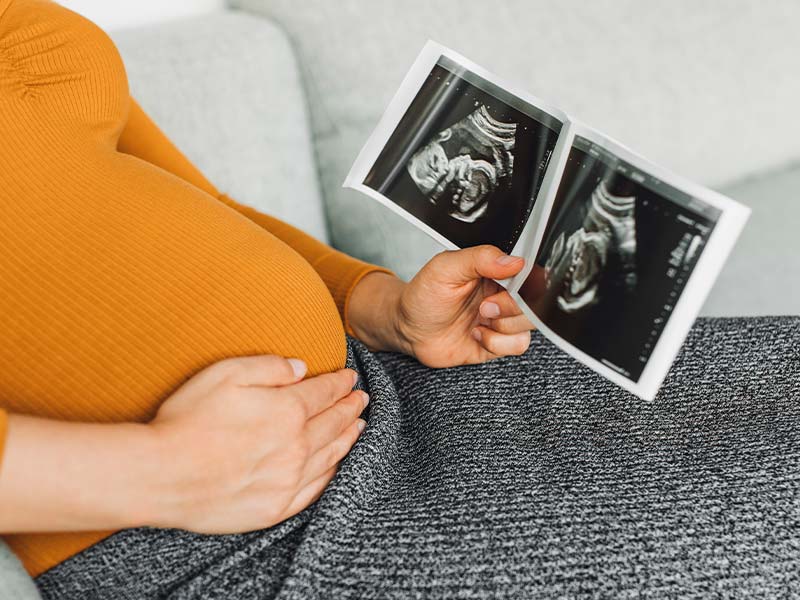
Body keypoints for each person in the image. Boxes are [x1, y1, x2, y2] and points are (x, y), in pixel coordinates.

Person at [0, 0, 533, 579]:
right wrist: (168, 470)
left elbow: (206, 205)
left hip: (365, 395)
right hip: (197, 528)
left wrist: (388, 312)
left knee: (639, 421)